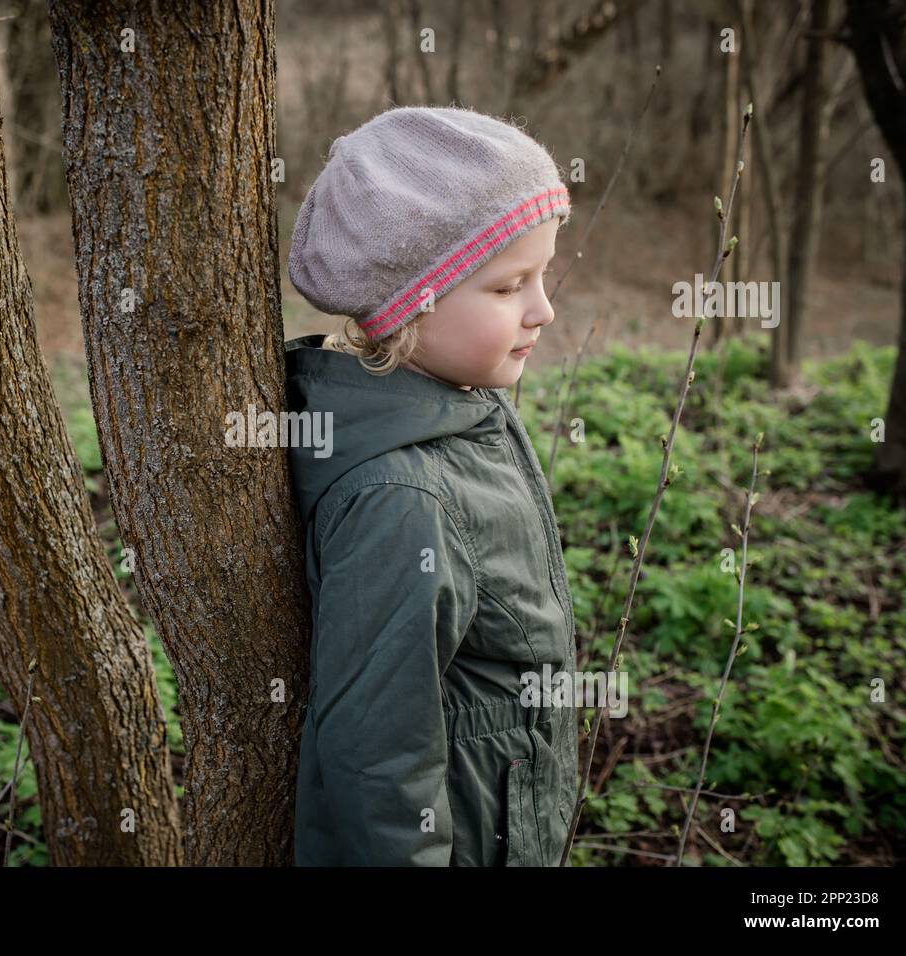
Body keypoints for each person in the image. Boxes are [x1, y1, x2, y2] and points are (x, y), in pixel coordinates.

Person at [284, 106, 579, 866]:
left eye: (542, 276)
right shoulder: (402, 499)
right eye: (512, 285)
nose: (543, 310)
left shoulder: (455, 412)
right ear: (412, 303)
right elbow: (377, 764)